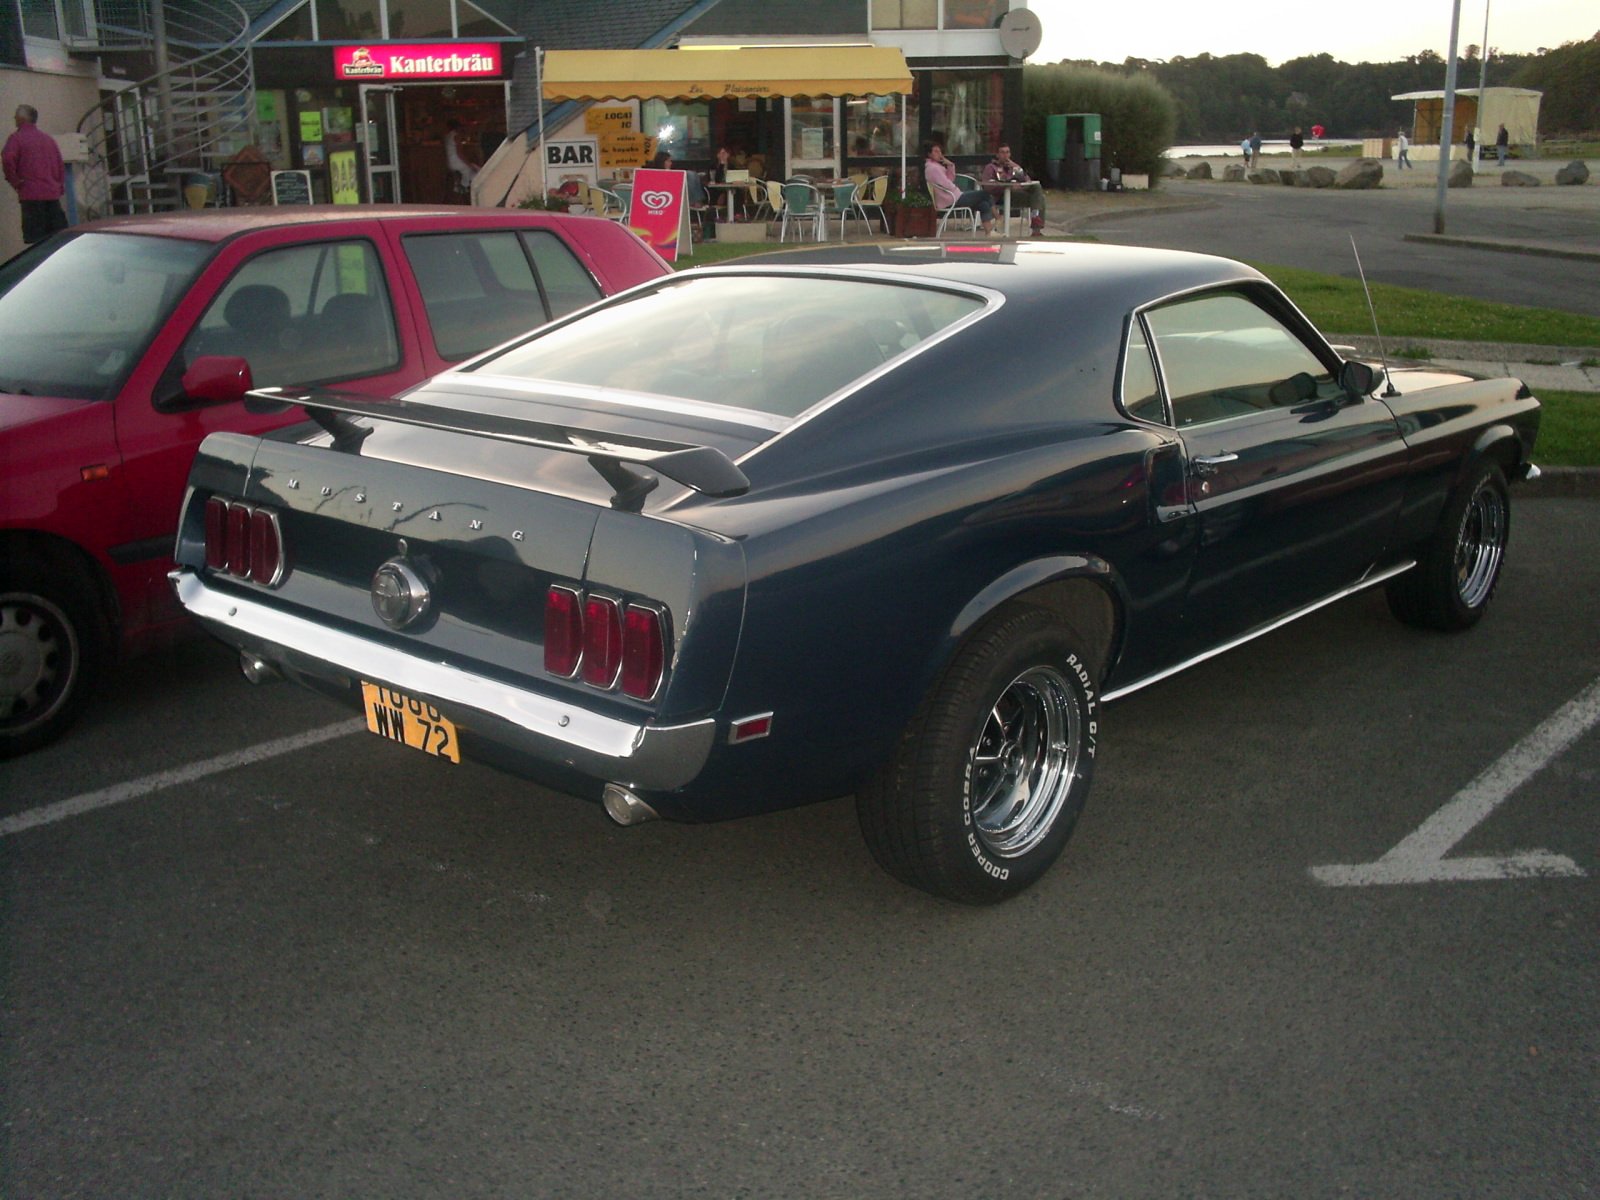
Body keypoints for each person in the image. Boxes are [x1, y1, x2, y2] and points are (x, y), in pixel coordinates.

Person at [4, 104, 68, 245]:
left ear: (22, 118)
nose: (14, 119)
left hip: (31, 195)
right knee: (56, 239)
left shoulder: (16, 138)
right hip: (52, 195)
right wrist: (59, 187)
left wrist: (16, 181)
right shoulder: (48, 140)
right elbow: (59, 165)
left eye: (15, 116)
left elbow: (8, 159)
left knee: (36, 242)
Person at [923, 142, 994, 237]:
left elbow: (951, 179)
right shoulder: (933, 168)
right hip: (951, 199)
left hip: (953, 197)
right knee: (985, 194)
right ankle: (998, 218)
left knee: (983, 204)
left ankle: (989, 232)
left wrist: (950, 165)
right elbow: (946, 184)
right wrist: (956, 189)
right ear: (929, 154)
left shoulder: (936, 167)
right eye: (936, 151)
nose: (939, 154)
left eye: (940, 151)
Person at [980, 142, 1047, 237]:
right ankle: (1036, 228)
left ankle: (1035, 221)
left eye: (1007, 152)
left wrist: (1017, 168)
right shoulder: (991, 167)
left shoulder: (1013, 167)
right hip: (1001, 196)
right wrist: (1007, 185)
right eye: (1002, 152)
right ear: (997, 155)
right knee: (1040, 198)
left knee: (1037, 189)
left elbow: (1027, 180)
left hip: (1016, 194)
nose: (1005, 155)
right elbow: (987, 186)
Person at [443, 118, 478, 194]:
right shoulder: (456, 136)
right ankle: (463, 187)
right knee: (474, 169)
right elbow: (460, 154)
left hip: (449, 163)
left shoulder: (447, 136)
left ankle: (459, 185)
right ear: (458, 127)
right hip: (456, 162)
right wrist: (469, 164)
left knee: (472, 168)